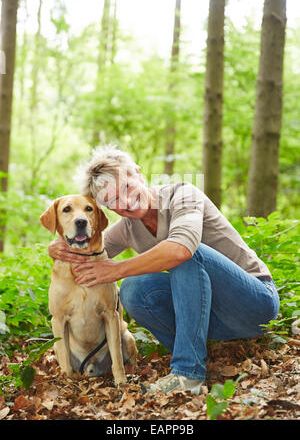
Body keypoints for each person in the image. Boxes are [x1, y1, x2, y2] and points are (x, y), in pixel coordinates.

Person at [48, 144, 280, 395]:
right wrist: (56, 247)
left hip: (255, 303)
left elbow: (180, 250)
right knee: (133, 289)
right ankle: (198, 353)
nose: (124, 201)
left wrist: (117, 270)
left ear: (137, 173)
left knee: (187, 253)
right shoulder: (128, 226)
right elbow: (91, 247)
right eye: (113, 200)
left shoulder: (183, 195)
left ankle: (188, 373)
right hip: (214, 320)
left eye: (126, 187)